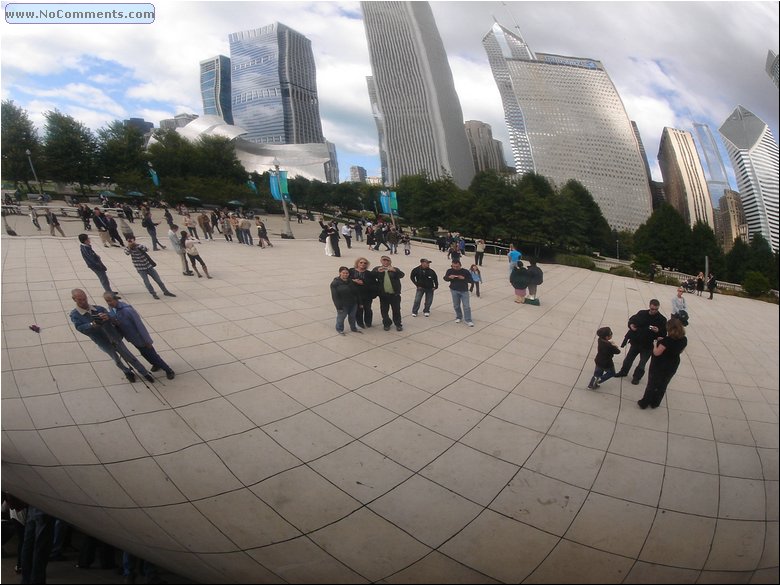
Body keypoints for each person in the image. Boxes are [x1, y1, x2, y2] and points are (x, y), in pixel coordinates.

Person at [69, 288, 154, 383]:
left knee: (128, 356)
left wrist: (108, 317)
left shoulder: (98, 308)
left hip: (114, 337)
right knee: (117, 359)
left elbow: (114, 319)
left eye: (85, 298)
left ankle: (144, 372)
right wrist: (92, 324)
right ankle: (127, 371)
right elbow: (80, 328)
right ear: (74, 299)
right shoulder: (75, 315)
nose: (84, 301)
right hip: (102, 341)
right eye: (80, 300)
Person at [104, 292, 175, 380]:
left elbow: (140, 326)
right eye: (107, 301)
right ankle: (156, 364)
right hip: (132, 338)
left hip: (141, 339)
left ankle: (168, 370)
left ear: (115, 299)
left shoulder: (128, 310)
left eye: (110, 300)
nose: (109, 303)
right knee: (144, 354)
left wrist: (147, 341)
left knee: (153, 355)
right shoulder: (111, 309)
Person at [637, 318, 688, 409]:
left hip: (659, 365)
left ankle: (644, 402)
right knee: (663, 384)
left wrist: (655, 344)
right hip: (673, 364)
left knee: (652, 384)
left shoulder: (666, 341)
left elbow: (657, 352)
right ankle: (655, 403)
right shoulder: (684, 339)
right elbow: (680, 351)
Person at [615, 299, 668, 385]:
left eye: (656, 309)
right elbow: (632, 320)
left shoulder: (662, 319)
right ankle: (623, 372)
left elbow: (664, 333)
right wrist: (631, 325)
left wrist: (658, 330)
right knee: (628, 359)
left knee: (642, 363)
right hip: (636, 342)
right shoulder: (642, 313)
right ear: (649, 306)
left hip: (648, 346)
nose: (654, 311)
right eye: (652, 309)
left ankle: (636, 378)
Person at [19, 506, 54, 585]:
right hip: (45, 509)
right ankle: (36, 580)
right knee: (41, 548)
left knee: (28, 545)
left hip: (32, 508)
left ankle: (26, 580)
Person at [372, 255, 404, 331]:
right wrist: (377, 271)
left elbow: (402, 275)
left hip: (394, 294)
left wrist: (395, 271)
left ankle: (398, 324)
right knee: (384, 310)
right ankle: (386, 323)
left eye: (387, 260)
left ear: (390, 262)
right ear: (381, 261)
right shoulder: (377, 269)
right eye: (384, 260)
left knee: (396, 310)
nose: (385, 262)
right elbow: (370, 276)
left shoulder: (394, 269)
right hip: (383, 295)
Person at [330, 266, 362, 335]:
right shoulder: (335, 283)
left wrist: (359, 303)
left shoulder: (350, 281)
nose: (345, 274)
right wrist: (338, 307)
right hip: (343, 305)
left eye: (347, 273)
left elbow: (356, 292)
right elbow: (335, 297)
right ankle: (339, 329)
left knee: (352, 317)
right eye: (343, 273)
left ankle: (353, 328)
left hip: (353, 303)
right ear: (340, 273)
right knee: (341, 318)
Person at [443, 259, 474, 326]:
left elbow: (471, 280)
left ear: (460, 265)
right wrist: (449, 277)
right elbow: (445, 278)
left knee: (466, 306)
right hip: (454, 290)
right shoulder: (450, 270)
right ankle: (459, 317)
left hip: (464, 291)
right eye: (453, 266)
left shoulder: (465, 271)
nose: (455, 268)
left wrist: (464, 278)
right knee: (456, 305)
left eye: (457, 266)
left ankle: (468, 320)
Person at [349, 257, 377, 328]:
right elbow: (345, 279)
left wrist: (363, 283)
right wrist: (353, 281)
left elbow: (373, 284)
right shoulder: (351, 271)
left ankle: (368, 322)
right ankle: (360, 322)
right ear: (357, 263)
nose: (363, 264)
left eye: (365, 263)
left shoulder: (369, 273)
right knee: (358, 310)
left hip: (366, 295)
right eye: (361, 262)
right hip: (355, 295)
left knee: (368, 309)